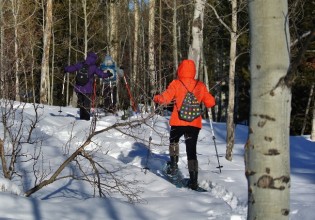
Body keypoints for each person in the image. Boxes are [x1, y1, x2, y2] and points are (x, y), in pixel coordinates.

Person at [153, 59, 216, 190]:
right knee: (191, 151)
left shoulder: (176, 83)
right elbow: (210, 103)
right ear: (193, 71)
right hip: (194, 124)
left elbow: (165, 99)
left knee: (174, 141)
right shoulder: (200, 85)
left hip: (178, 122)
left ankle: (174, 166)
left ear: (180, 69)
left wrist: (156, 98)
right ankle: (193, 181)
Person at [64, 52, 112, 120]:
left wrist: (66, 68)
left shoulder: (80, 64)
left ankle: (81, 120)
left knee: (81, 105)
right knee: (86, 106)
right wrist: (108, 74)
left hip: (79, 88)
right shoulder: (93, 67)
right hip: (87, 89)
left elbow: (71, 68)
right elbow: (101, 74)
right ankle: (86, 121)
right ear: (94, 59)